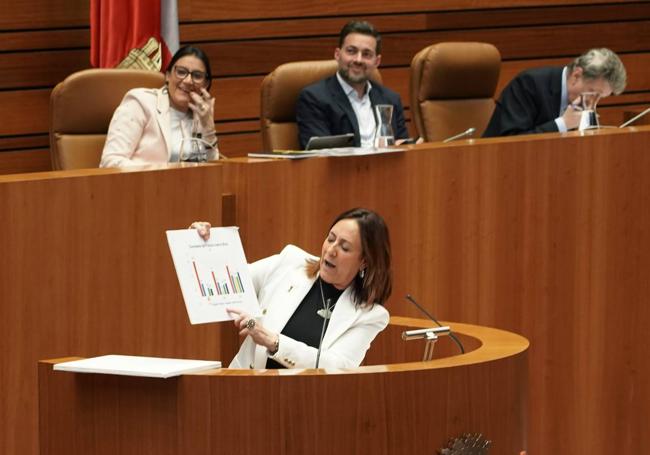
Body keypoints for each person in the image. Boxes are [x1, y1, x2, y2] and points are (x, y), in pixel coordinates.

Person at [191, 208, 392, 369]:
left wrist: (275, 342)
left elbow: (338, 367)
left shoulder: (370, 316)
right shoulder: (290, 263)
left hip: (303, 407)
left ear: (364, 261)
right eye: (330, 239)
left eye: (345, 248)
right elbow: (223, 285)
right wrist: (200, 246)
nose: (331, 251)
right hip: (244, 393)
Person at [296, 20, 409, 149]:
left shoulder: (391, 99)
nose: (358, 60)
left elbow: (403, 147)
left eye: (366, 54)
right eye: (351, 51)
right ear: (338, 55)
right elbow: (319, 157)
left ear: (377, 61)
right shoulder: (314, 99)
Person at [100, 45, 219, 167]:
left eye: (197, 75)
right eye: (181, 72)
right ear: (167, 76)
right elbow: (110, 162)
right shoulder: (141, 103)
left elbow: (211, 170)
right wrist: (165, 173)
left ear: (206, 83)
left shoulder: (200, 116)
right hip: (140, 185)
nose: (188, 80)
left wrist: (209, 129)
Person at [483, 48, 627, 137]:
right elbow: (511, 141)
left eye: (600, 97)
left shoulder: (581, 103)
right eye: (593, 93)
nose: (593, 103)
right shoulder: (529, 84)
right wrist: (562, 124)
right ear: (576, 75)